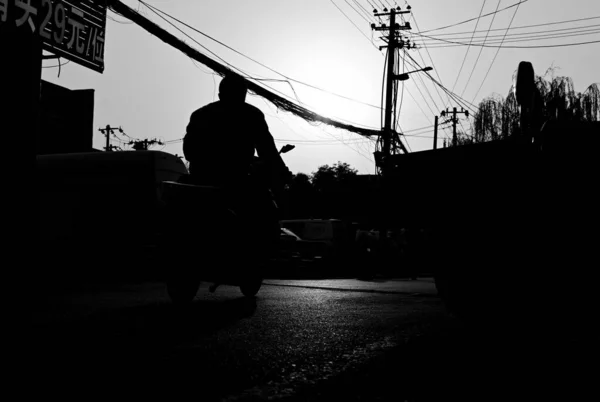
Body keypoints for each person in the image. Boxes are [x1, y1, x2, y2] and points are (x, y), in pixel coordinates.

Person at [182, 73, 291, 262]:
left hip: (200, 180)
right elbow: (268, 150)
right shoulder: (251, 115)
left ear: (220, 93)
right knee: (265, 210)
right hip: (236, 180)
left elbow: (189, 151)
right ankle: (254, 253)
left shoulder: (201, 114)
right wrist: (282, 172)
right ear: (244, 94)